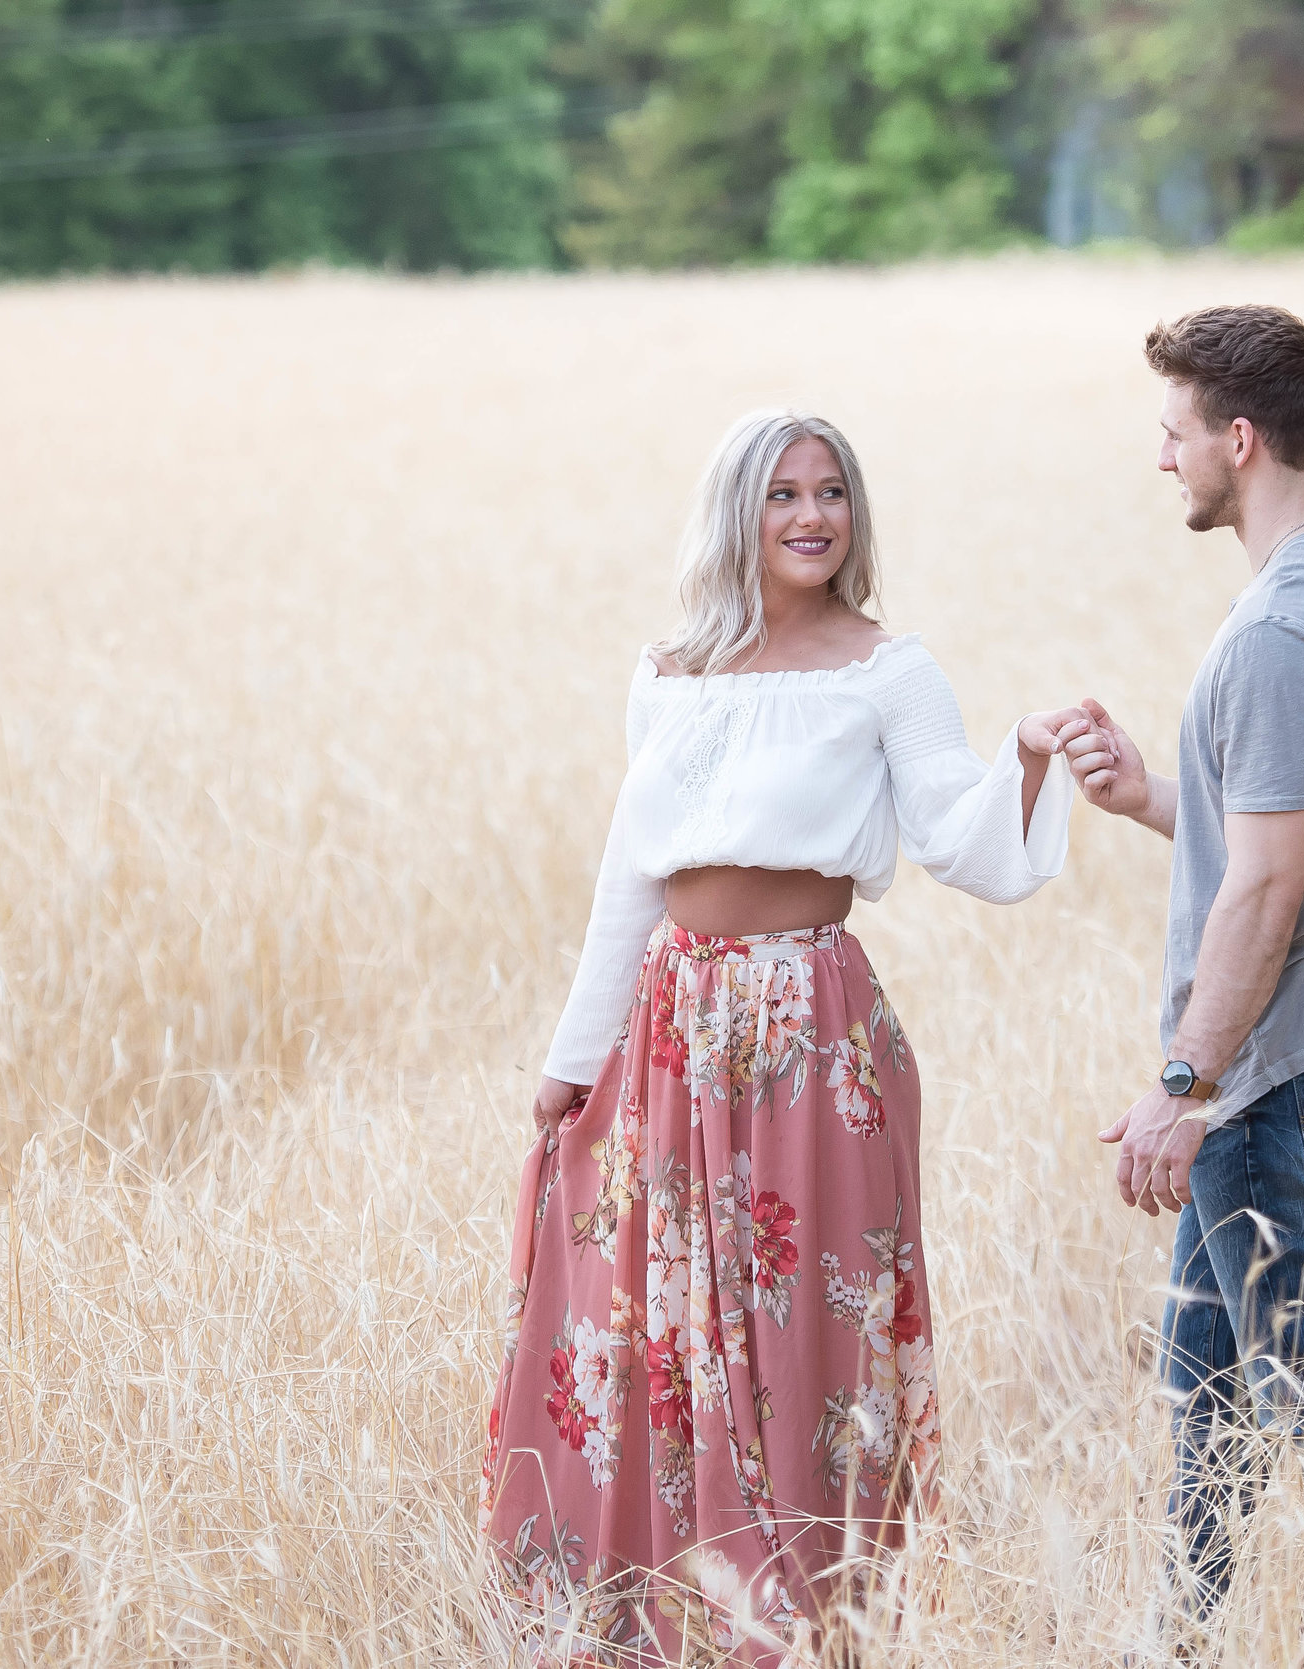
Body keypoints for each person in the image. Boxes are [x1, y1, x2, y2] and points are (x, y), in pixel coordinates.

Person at [481, 410, 1077, 1665]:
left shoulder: (886, 671)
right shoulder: (671, 670)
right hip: (669, 1027)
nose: (812, 517)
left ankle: (812, 1627)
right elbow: (627, 878)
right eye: (783, 495)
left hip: (811, 1032)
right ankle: (662, 1622)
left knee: (808, 1334)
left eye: (833, 494)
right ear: (737, 514)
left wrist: (1023, 758)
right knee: (654, 1329)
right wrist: (569, 1058)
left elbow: (965, 842)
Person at [1047, 304, 1304, 1621]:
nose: (1166, 460)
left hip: (1285, 1065)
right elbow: (1281, 844)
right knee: (1206, 1401)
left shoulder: (1277, 636)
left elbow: (1268, 888)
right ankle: (1186, 1639)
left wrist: (1183, 1077)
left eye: (1177, 433)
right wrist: (1153, 792)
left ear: (1242, 439)